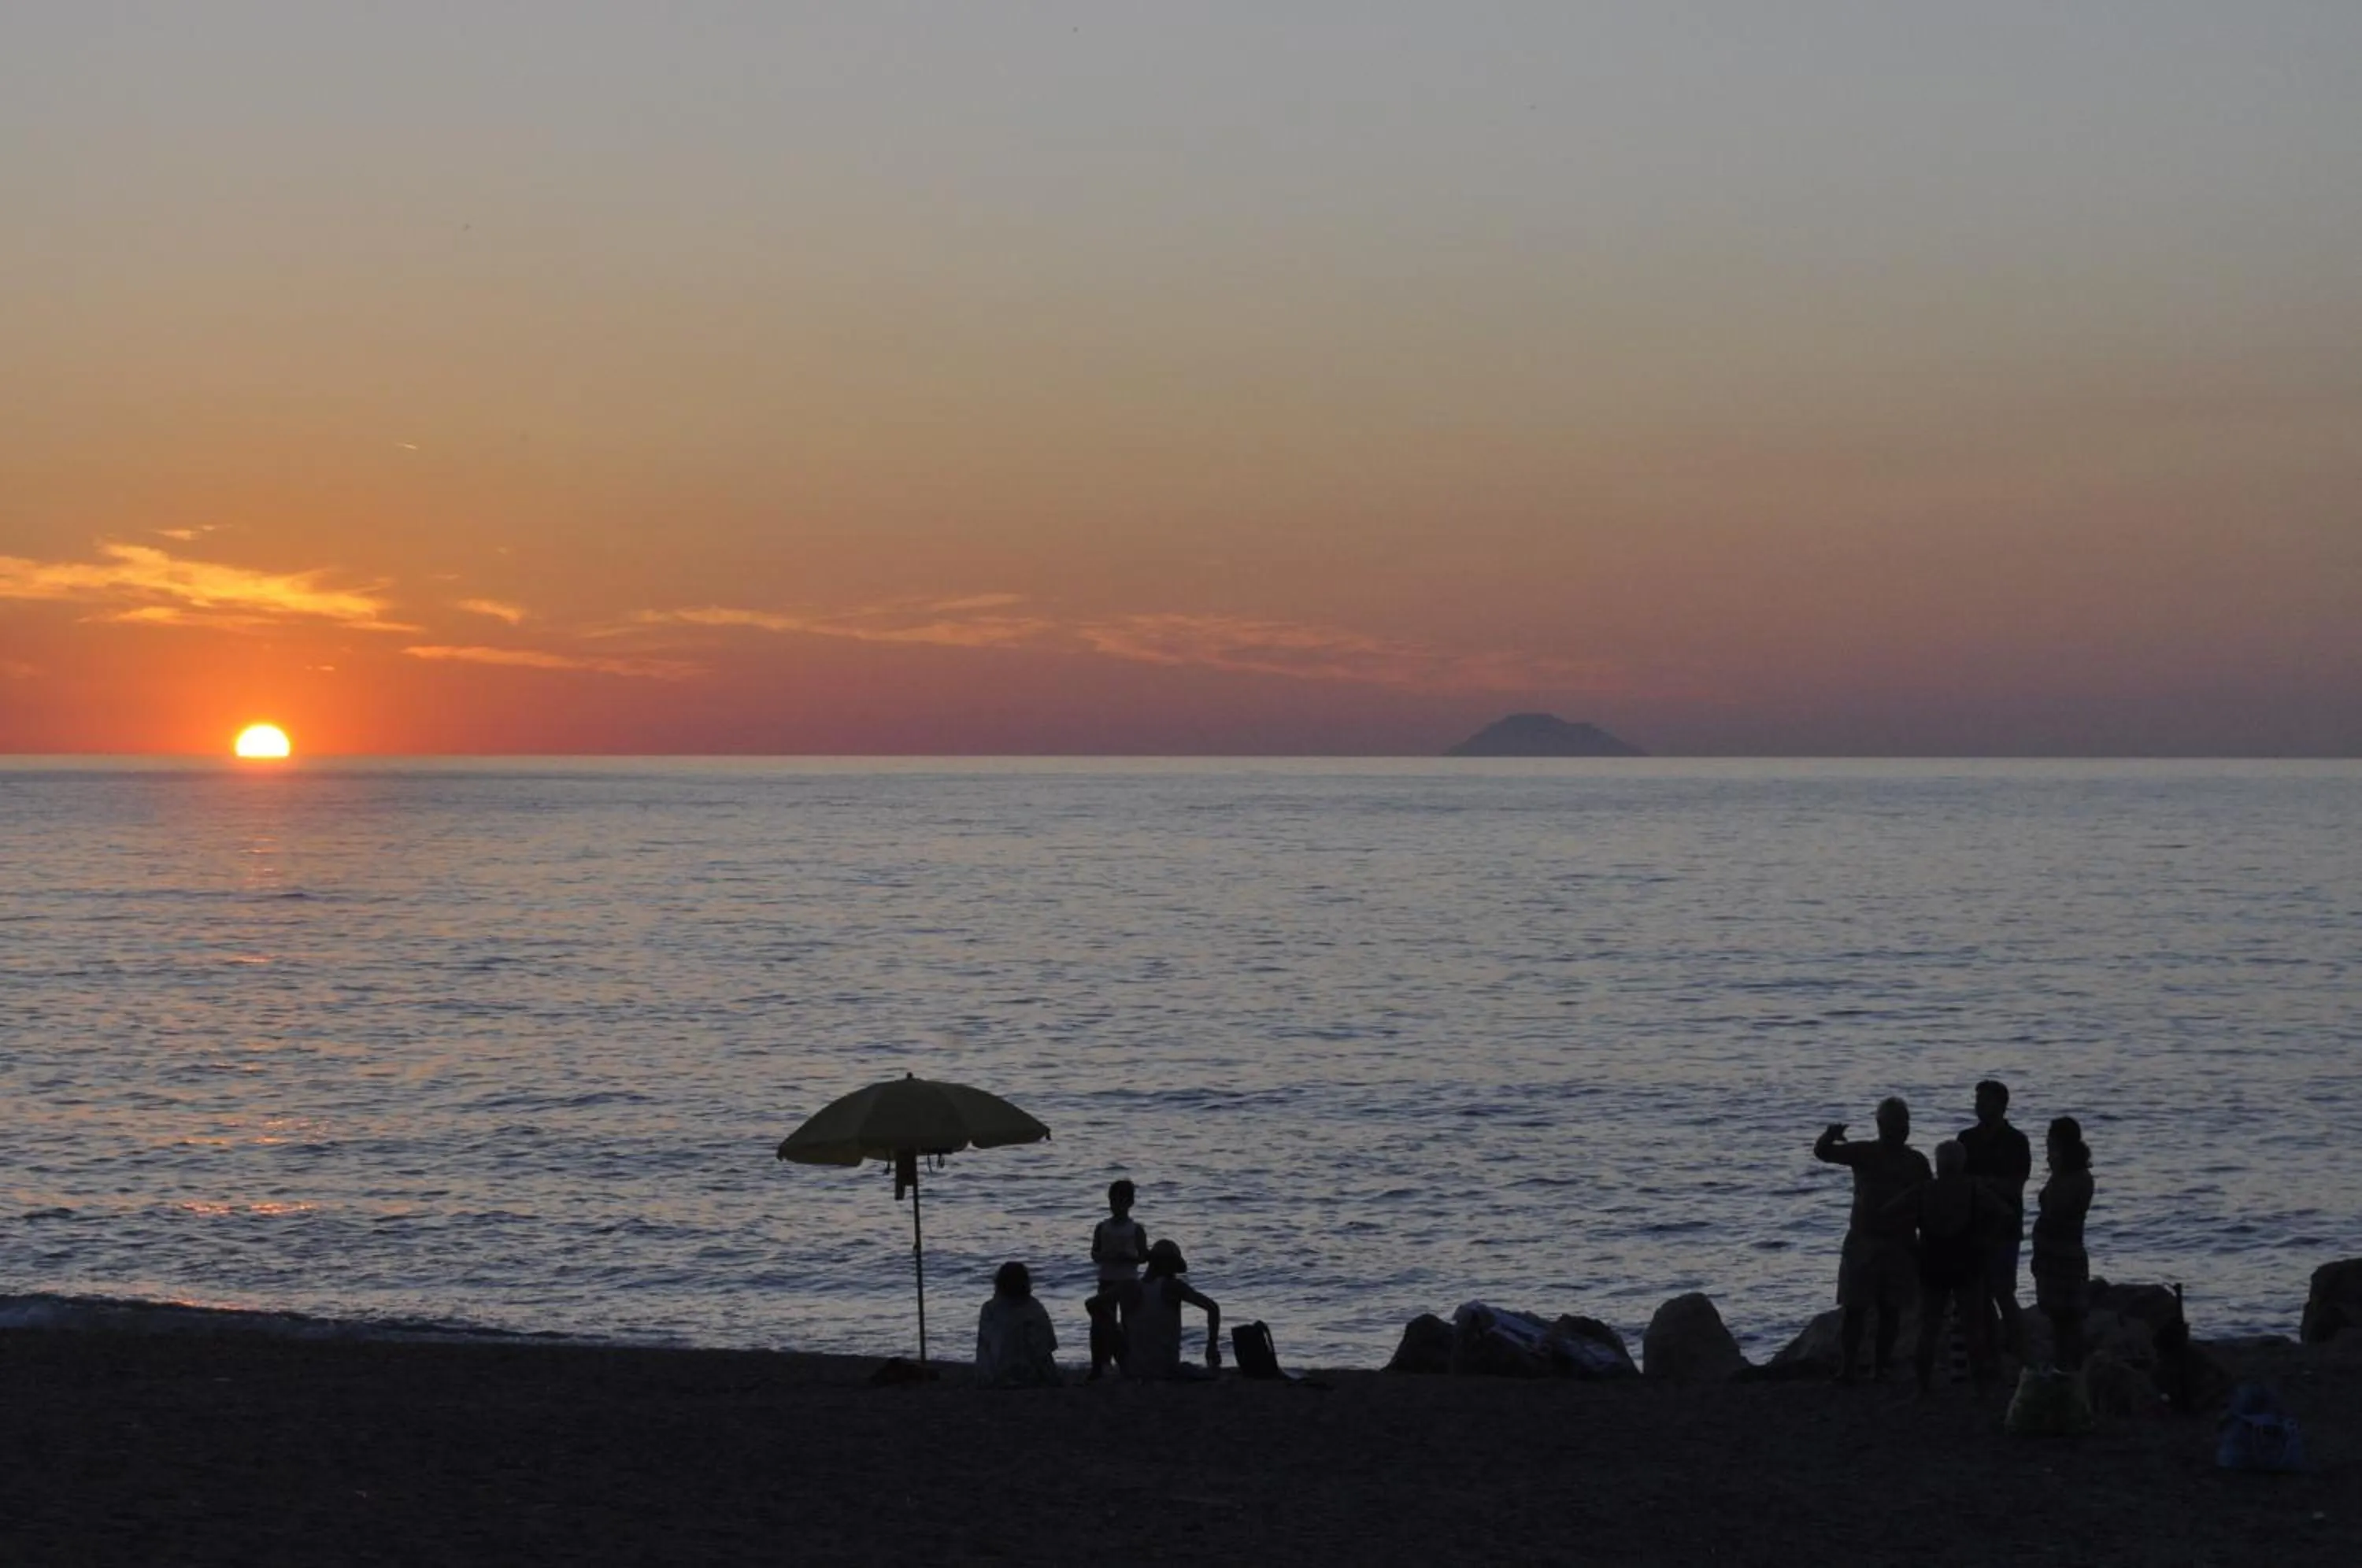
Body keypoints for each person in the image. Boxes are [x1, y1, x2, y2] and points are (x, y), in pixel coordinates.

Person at [1815, 1096, 1933, 1383]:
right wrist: (1830, 1134)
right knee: (1855, 1308)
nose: (1900, 1130)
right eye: (1894, 1124)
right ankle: (1850, 1367)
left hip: (1901, 1243)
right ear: (1881, 1125)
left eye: (1904, 1124)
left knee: (1890, 1310)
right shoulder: (1865, 1152)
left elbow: (1927, 1201)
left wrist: (1925, 1242)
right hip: (1864, 1241)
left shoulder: (1916, 1161)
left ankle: (1882, 1366)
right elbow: (1824, 1153)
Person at [1886, 1139, 2005, 1394]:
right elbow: (2003, 1213)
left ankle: (1923, 1388)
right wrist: (1986, 1240)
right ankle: (1981, 1388)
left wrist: (1910, 1243)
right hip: (1967, 1261)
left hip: (1932, 1261)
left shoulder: (1924, 1190)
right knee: (1974, 1328)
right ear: (1962, 1164)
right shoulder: (1974, 1189)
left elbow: (1888, 1212)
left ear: (1938, 1165)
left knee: (1928, 1327)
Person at [1958, 1078, 2032, 1359]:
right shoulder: (1966, 1139)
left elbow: (2015, 1186)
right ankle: (1990, 1348)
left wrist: (1980, 1183)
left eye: (1985, 1101)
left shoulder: (2016, 1141)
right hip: (1972, 1228)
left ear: (2002, 1105)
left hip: (2004, 1229)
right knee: (1978, 1294)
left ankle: (2017, 1349)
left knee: (2003, 1291)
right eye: (1977, 1101)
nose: (1979, 1106)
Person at [2031, 1115, 2095, 1370]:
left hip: (2061, 1254)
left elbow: (2057, 1209)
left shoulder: (2074, 1178)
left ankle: (2068, 1369)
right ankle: (2067, 1367)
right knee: (2063, 1319)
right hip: (2058, 1253)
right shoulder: (2073, 1175)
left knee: (2066, 1319)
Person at [1125, 1238, 1222, 1381]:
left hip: (1134, 1368)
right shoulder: (1173, 1286)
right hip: (1165, 1367)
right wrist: (1211, 1347)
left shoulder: (1131, 1288)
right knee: (1210, 1374)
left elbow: (1094, 1305)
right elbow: (1213, 1308)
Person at [1086, 1178, 1148, 1381]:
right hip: (1107, 1279)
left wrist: (1128, 1258)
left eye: (1121, 1202)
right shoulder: (1102, 1227)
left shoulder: (1136, 1229)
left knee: (1129, 1323)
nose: (1116, 1206)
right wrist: (1105, 1256)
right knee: (1101, 1323)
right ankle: (1100, 1364)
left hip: (1128, 1280)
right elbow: (1094, 1253)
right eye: (1113, 1201)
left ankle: (1128, 1364)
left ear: (1130, 1203)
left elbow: (1144, 1256)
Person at [974, 1262, 1061, 1388]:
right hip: (1028, 1374)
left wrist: (984, 1376)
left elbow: (984, 1346)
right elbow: (1044, 1348)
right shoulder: (1034, 1307)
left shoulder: (989, 1308)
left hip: (996, 1374)